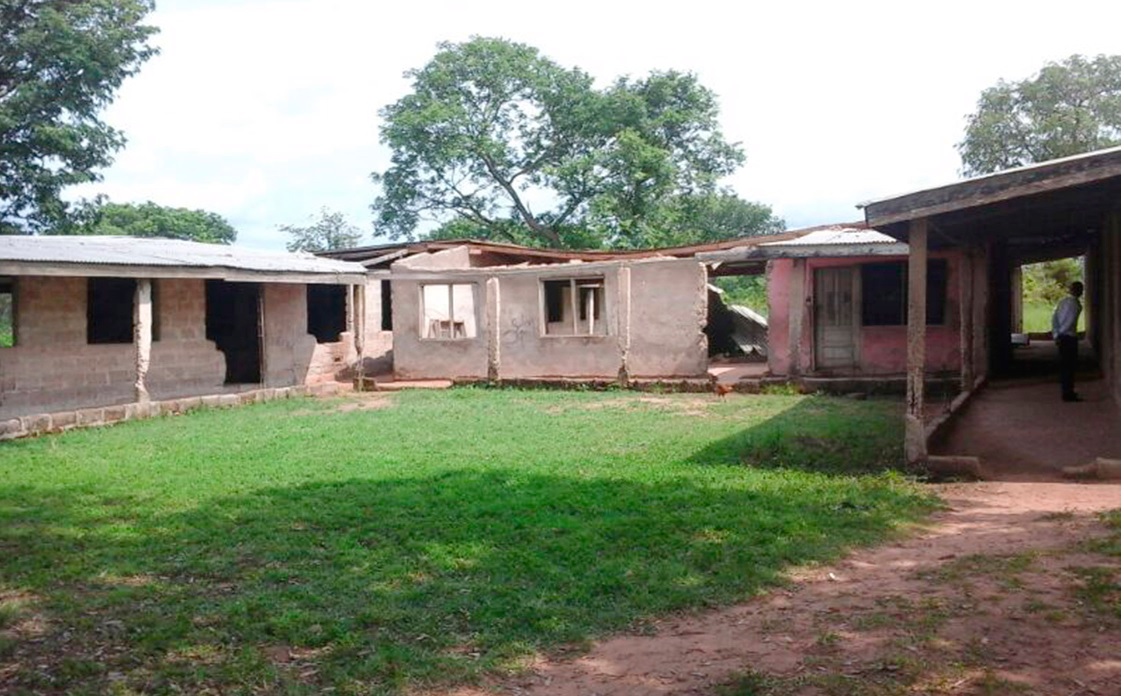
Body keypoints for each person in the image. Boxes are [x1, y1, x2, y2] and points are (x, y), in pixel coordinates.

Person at [1051, 280, 1084, 402]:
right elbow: (1070, 322)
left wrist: (1056, 334)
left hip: (1061, 336)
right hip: (1069, 337)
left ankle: (1066, 391)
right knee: (1070, 366)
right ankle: (1068, 393)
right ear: (1079, 291)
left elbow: (1054, 318)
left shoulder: (1062, 302)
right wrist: (1062, 333)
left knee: (1065, 366)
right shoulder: (1076, 305)